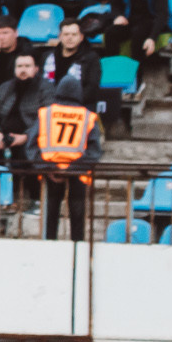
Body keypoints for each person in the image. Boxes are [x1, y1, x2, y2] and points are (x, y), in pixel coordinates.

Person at [29, 71, 104, 241]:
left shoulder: (46, 113)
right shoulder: (88, 117)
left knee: (50, 215)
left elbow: (31, 145)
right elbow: (94, 151)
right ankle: (77, 249)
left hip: (50, 173)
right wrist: (73, 169)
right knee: (77, 214)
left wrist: (48, 167)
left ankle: (49, 249)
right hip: (78, 173)